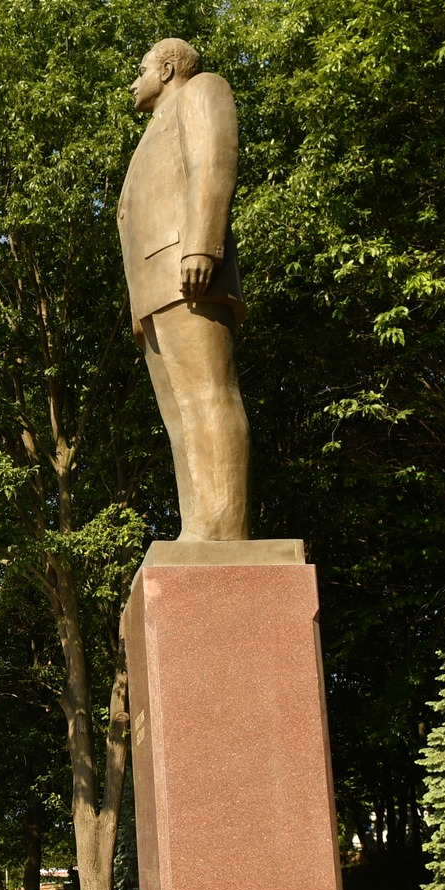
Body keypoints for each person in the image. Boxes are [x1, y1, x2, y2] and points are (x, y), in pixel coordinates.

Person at [118, 36, 251, 543]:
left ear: (169, 69)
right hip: (155, 286)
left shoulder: (202, 91)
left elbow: (213, 164)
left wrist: (202, 246)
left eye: (142, 69)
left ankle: (225, 529)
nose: (135, 81)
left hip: (186, 268)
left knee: (208, 394)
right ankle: (199, 527)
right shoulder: (153, 128)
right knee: (180, 413)